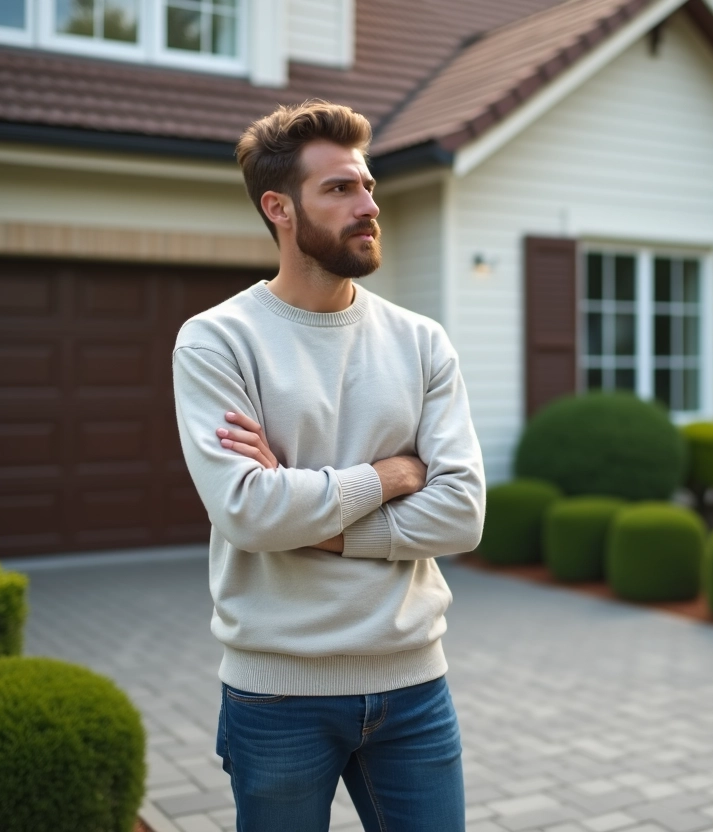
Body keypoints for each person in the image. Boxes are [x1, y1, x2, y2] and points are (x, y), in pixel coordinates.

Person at [171, 100, 485, 832]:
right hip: (277, 695)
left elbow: (462, 514)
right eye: (339, 189)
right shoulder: (217, 342)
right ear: (279, 208)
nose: (368, 205)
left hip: (414, 686)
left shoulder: (421, 342)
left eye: (367, 186)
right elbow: (249, 512)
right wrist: (392, 477)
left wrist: (311, 518)